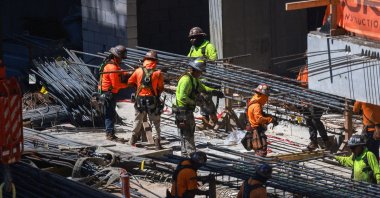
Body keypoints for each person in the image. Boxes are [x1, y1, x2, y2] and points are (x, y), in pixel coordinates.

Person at [174, 58, 223, 156]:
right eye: (200, 71)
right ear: (195, 70)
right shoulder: (186, 80)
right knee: (188, 132)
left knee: (185, 132)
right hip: (182, 110)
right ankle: (191, 155)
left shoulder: (194, 79)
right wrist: (194, 102)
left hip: (187, 109)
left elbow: (203, 88)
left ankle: (185, 154)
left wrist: (213, 91)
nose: (201, 74)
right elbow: (182, 97)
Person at [127, 50, 164, 150]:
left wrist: (139, 84)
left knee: (137, 120)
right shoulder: (158, 73)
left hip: (139, 100)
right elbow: (161, 87)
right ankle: (157, 143)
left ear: (145, 60)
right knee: (155, 122)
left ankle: (132, 141)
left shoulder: (138, 71)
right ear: (155, 61)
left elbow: (130, 82)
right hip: (152, 100)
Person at [187, 27, 219, 130]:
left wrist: (202, 63)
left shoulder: (208, 47)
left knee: (206, 99)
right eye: (190, 38)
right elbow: (188, 60)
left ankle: (214, 120)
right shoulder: (192, 48)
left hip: (206, 78)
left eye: (194, 38)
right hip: (195, 79)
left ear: (200, 37)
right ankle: (205, 122)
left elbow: (214, 61)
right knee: (199, 99)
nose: (192, 40)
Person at [99, 45, 130, 142]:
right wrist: (128, 84)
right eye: (121, 58)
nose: (122, 60)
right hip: (109, 93)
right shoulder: (112, 67)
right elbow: (116, 84)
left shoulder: (113, 64)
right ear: (116, 57)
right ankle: (110, 135)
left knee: (111, 114)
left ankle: (110, 133)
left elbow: (119, 73)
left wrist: (128, 73)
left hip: (109, 92)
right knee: (110, 114)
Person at [297, 65, 331, 151]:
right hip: (306, 100)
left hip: (317, 100)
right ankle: (314, 142)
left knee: (315, 120)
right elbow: (301, 85)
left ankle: (326, 141)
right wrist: (303, 100)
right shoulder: (302, 69)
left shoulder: (318, 69)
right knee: (309, 120)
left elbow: (322, 86)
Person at [246, 84, 276, 157]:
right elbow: (259, 119)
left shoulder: (252, 100)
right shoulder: (257, 105)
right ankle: (259, 166)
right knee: (261, 150)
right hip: (257, 131)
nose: (267, 99)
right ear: (262, 95)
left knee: (258, 150)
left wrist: (265, 116)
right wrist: (270, 119)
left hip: (253, 129)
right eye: (266, 96)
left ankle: (258, 164)